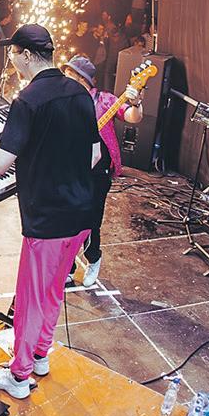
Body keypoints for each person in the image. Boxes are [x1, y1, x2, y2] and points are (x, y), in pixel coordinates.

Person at [0, 25, 98, 400]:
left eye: (14, 53)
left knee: (31, 298)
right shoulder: (80, 93)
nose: (11, 59)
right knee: (53, 291)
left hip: (47, 219)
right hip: (82, 213)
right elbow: (95, 154)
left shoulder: (28, 101)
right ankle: (40, 356)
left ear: (27, 55)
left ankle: (19, 376)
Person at [60, 55, 143, 288]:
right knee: (67, 220)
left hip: (98, 173)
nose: (64, 80)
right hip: (71, 170)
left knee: (90, 220)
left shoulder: (105, 100)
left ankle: (93, 258)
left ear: (81, 79)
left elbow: (132, 117)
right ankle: (68, 267)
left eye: (68, 76)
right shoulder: (65, 102)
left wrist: (136, 103)